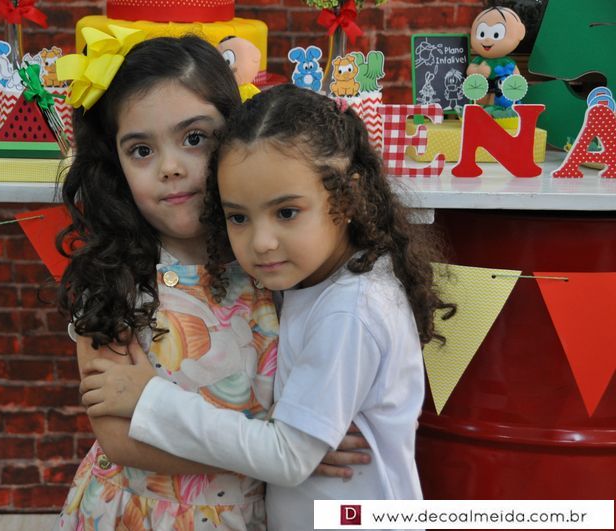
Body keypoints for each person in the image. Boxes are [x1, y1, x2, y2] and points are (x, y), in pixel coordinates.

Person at [79, 85, 455, 530]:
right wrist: (283, 443)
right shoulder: (310, 280)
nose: (261, 242)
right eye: (238, 217)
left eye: (287, 213)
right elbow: (289, 449)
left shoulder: (349, 310)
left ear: (347, 199)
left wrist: (151, 399)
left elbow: (288, 457)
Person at [53, 34, 368, 530]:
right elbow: (119, 439)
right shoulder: (114, 277)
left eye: (195, 139)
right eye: (141, 150)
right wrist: (287, 453)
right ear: (115, 164)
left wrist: (291, 449)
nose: (171, 167)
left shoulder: (273, 262)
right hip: (135, 514)